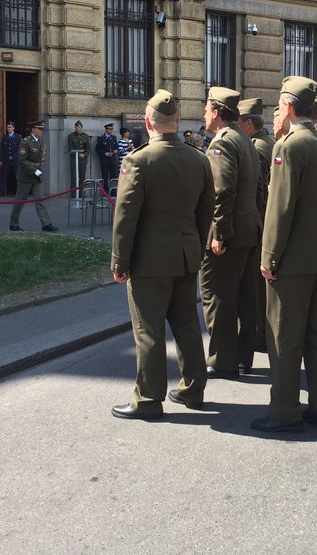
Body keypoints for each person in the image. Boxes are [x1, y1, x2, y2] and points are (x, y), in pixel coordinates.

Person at [110, 89, 214, 419]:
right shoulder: (199, 158)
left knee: (148, 329)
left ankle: (148, 400)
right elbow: (206, 211)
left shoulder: (138, 160)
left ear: (147, 122)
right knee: (186, 324)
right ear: (178, 122)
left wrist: (119, 261)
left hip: (149, 260)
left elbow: (125, 216)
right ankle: (193, 389)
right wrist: (194, 246)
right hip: (186, 255)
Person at [253, 76, 317, 433]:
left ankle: (285, 411)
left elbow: (279, 208)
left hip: (291, 258)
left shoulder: (288, 146)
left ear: (287, 107)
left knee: (284, 336)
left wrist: (269, 256)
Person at [200, 86, 260, 378]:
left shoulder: (221, 143)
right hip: (249, 228)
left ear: (215, 112)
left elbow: (222, 192)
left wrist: (219, 233)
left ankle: (222, 359)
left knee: (217, 294)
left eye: (206, 109)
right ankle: (242, 357)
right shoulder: (245, 139)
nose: (204, 115)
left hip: (231, 231)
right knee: (245, 296)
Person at [237, 97, 275, 361]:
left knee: (257, 289)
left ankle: (260, 335)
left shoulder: (259, 147)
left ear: (248, 124)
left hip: (259, 222)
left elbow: (260, 192)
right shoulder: (262, 143)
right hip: (261, 222)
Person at [9, 120, 58, 233]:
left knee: (40, 199)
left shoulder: (41, 143)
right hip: (26, 176)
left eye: (42, 129)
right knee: (20, 201)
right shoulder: (25, 142)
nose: (41, 131)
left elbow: (40, 159)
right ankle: (14, 223)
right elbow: (22, 159)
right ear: (33, 129)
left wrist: (37, 170)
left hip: (36, 176)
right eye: (39, 129)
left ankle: (46, 224)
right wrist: (34, 170)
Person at [0, 121, 21, 198]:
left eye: (10, 127)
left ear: (13, 128)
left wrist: (14, 156)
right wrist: (1, 160)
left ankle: (19, 193)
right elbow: (2, 150)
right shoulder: (5, 137)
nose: (8, 129)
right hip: (6, 160)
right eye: (7, 127)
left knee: (17, 177)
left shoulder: (18, 137)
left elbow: (19, 149)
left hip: (15, 161)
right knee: (3, 176)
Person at [67, 119, 92, 193]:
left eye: (79, 127)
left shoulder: (85, 136)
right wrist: (77, 155)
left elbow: (88, 148)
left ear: (81, 127)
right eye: (76, 127)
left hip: (83, 160)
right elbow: (70, 148)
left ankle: (82, 193)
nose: (77, 128)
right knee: (74, 177)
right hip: (74, 159)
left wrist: (84, 155)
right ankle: (74, 194)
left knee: (82, 177)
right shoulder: (71, 136)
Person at [96, 123, 119, 188]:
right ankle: (105, 192)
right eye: (109, 129)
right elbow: (97, 149)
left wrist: (116, 150)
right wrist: (105, 153)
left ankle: (113, 192)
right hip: (104, 160)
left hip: (112, 159)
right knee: (105, 176)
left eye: (112, 129)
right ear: (106, 129)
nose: (111, 131)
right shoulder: (101, 138)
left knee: (113, 176)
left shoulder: (113, 138)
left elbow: (116, 147)